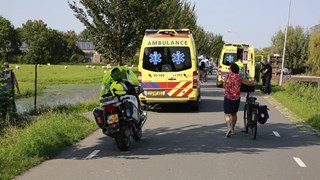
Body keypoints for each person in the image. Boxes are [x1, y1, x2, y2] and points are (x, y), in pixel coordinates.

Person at [223, 63, 256, 137]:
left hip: (228, 96)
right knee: (234, 113)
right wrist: (254, 83)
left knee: (227, 114)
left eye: (229, 68)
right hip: (236, 97)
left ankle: (229, 128)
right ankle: (232, 128)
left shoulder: (227, 76)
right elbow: (248, 83)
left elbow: (224, 86)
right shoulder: (239, 77)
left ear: (231, 69)